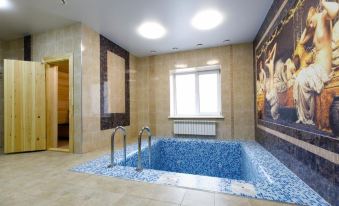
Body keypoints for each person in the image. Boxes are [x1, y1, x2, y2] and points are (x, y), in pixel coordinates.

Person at [293, 0, 338, 124]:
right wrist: (309, 24)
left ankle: (307, 117)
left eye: (310, 22)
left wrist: (322, 2)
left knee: (301, 79)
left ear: (314, 14)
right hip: (316, 67)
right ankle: (305, 117)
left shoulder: (324, 17)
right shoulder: (314, 26)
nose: (310, 26)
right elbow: (302, 41)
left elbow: (335, 10)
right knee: (298, 79)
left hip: (323, 68)